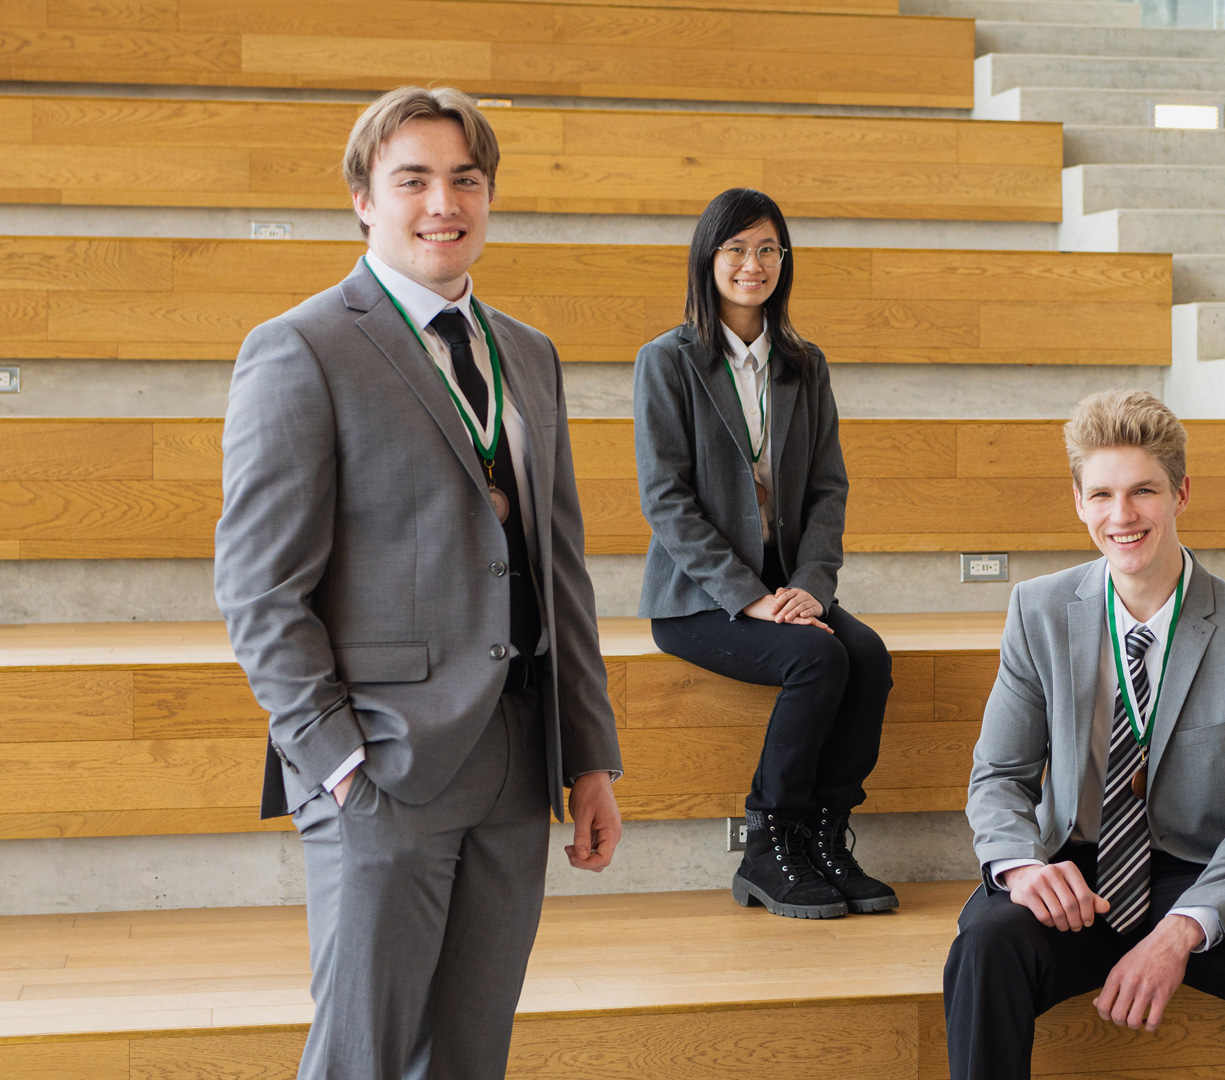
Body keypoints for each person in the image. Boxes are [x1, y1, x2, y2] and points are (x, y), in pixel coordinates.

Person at [214, 86, 624, 1079]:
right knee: (363, 1057)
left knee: (470, 1056)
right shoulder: (302, 348)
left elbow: (558, 569)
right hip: (383, 766)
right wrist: (340, 764)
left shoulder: (528, 353)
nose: (444, 201)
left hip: (518, 757)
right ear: (364, 198)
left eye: (465, 180)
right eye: (414, 180)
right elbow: (260, 589)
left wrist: (589, 755)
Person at [944, 390, 1225, 1080]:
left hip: (1201, 875)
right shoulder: (1038, 611)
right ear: (1078, 500)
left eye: (1143, 491)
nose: (1122, 515)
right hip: (1074, 877)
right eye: (1102, 494)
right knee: (986, 944)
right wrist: (1023, 868)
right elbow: (999, 779)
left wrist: (1180, 931)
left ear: (1181, 493)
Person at [633, 188, 896, 920]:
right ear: (708, 259)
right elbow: (666, 500)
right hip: (700, 599)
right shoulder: (668, 362)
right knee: (818, 660)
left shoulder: (803, 366)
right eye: (737, 249)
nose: (754, 264)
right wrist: (751, 596)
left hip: (791, 592)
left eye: (768, 249)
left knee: (867, 656)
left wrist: (812, 585)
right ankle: (768, 843)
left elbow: (827, 490)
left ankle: (823, 835)